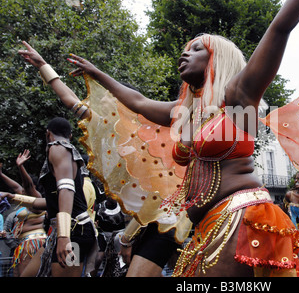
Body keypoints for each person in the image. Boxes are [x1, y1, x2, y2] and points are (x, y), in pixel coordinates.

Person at [47, 0, 299, 277]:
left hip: (241, 216)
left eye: (195, 49)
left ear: (217, 58)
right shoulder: (186, 115)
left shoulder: (239, 100)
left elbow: (280, 28)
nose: (184, 53)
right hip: (206, 224)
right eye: (185, 49)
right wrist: (98, 73)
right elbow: (138, 102)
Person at [18, 43, 183, 277]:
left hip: (159, 222)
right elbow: (70, 100)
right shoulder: (106, 131)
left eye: (109, 97)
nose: (100, 100)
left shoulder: (140, 144)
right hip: (132, 225)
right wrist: (43, 65)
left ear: (123, 106)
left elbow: (156, 200)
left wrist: (126, 239)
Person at [1, 118, 97, 277]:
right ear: (70, 135)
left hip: (73, 233)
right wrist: (12, 197)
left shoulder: (58, 148)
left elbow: (66, 190)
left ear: (48, 134)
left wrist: (64, 236)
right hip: (61, 233)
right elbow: (50, 203)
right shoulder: (64, 153)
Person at [0, 152, 47, 277]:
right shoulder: (25, 199)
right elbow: (16, 187)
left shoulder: (37, 199)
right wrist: (1, 174)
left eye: (24, 188)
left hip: (33, 244)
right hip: (24, 245)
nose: (21, 189)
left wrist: (21, 167)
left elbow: (28, 185)